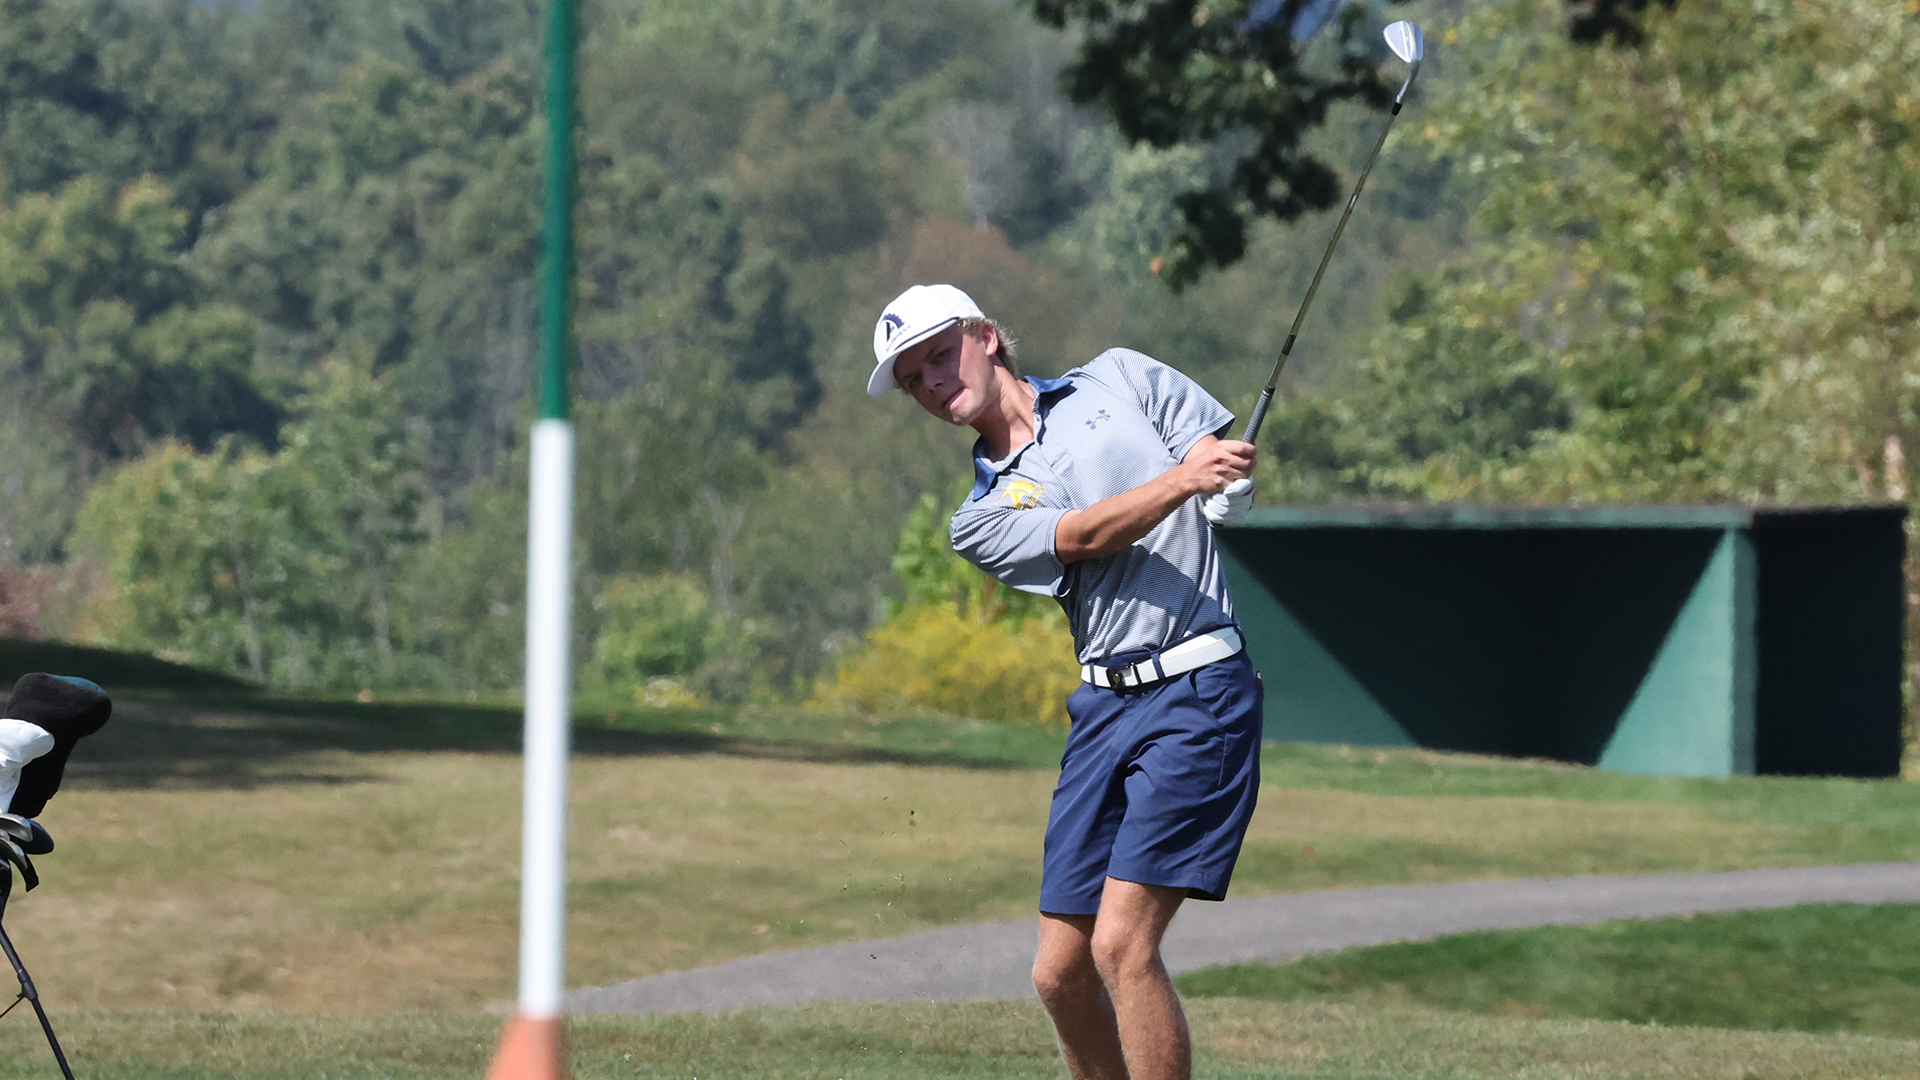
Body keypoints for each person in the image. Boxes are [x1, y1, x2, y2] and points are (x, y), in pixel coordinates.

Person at [868, 284, 1263, 1080]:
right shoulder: (977, 516)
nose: (934, 383)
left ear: (985, 337)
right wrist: (1183, 484)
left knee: (1122, 944)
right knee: (1059, 973)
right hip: (1103, 709)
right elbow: (1080, 535)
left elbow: (1207, 442)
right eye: (914, 379)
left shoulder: (1118, 376)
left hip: (1198, 688)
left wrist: (1222, 476)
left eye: (940, 357)